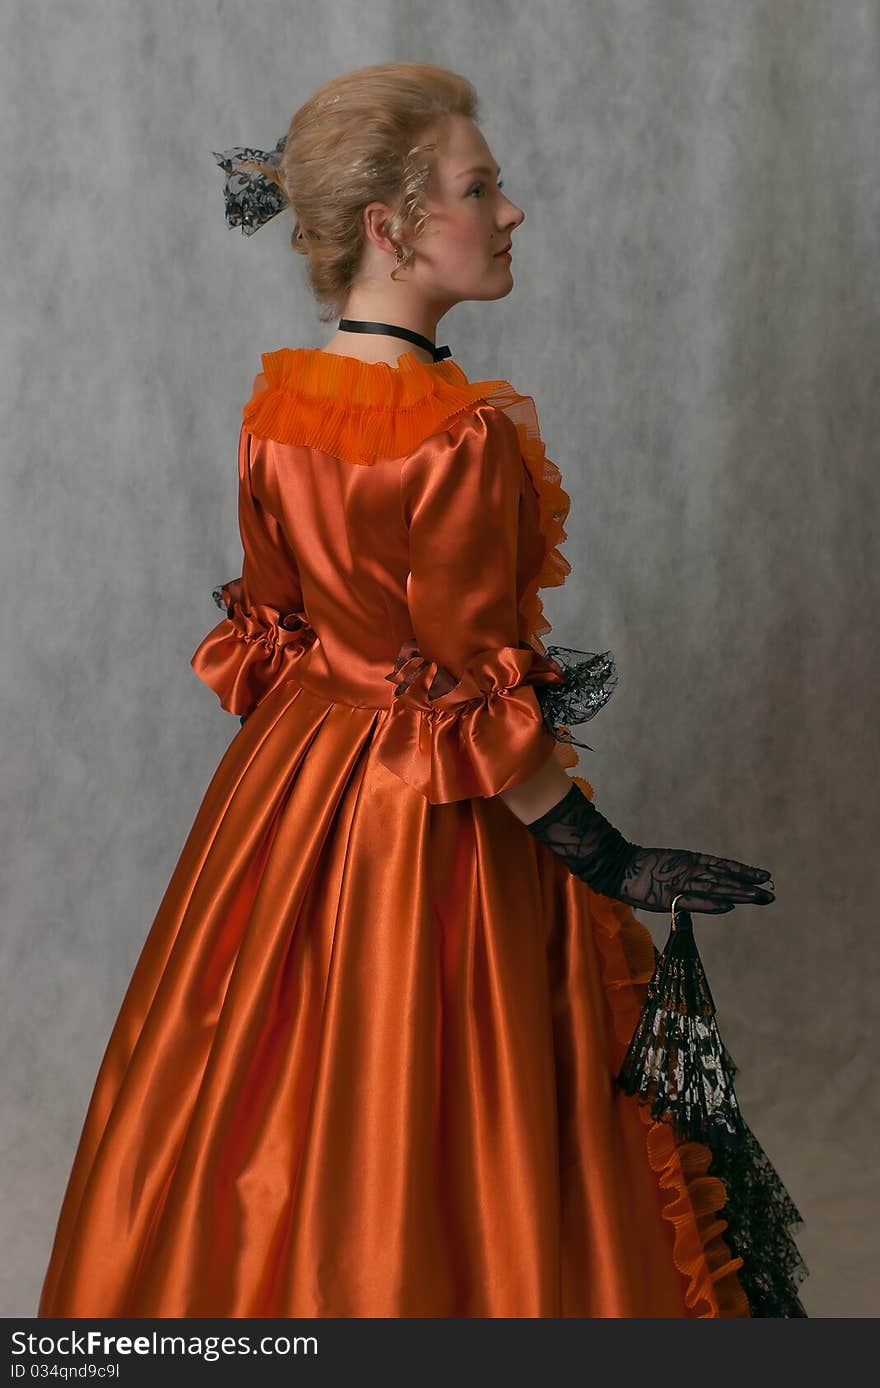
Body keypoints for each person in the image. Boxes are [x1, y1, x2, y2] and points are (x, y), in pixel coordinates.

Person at [37, 61, 806, 1318]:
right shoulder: (460, 438)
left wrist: (347, 711)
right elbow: (467, 702)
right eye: (479, 186)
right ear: (390, 226)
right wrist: (604, 855)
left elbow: (277, 625)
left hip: (288, 794)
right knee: (455, 1094)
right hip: (435, 831)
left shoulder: (278, 410)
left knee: (258, 1087)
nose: (510, 213)